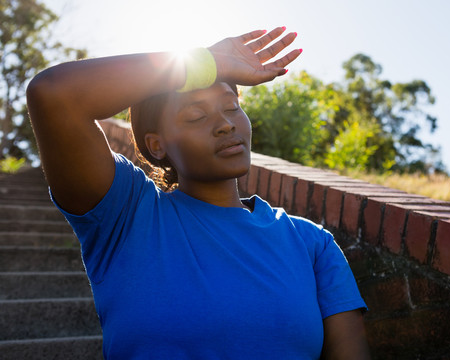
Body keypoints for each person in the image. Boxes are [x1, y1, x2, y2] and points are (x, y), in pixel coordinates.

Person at [27, 27, 370, 359]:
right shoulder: (126, 215)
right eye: (196, 115)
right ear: (156, 145)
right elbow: (54, 95)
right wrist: (207, 62)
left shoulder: (311, 243)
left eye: (232, 106)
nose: (225, 123)